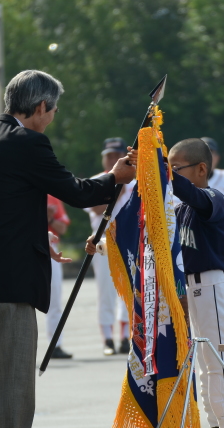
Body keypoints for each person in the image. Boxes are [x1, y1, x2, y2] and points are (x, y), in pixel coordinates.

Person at [0, 70, 136, 428]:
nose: (52, 118)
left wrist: (37, 236)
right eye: (52, 111)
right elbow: (76, 191)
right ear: (39, 107)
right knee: (9, 392)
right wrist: (116, 178)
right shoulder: (28, 143)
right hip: (4, 287)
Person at [112, 138, 224, 428]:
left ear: (201, 169)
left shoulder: (213, 198)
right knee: (210, 393)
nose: (169, 175)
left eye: (176, 168)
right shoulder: (181, 210)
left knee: (223, 388)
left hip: (217, 291)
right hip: (195, 295)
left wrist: (157, 164)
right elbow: (149, 240)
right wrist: (103, 244)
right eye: (168, 168)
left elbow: (191, 194)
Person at [84, 137, 133, 356]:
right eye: (109, 156)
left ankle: (125, 336)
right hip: (102, 242)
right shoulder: (96, 181)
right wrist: (116, 190)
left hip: (128, 240)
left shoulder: (134, 182)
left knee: (129, 289)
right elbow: (95, 209)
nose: (113, 159)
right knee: (106, 291)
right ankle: (107, 339)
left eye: (117, 155)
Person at [45, 195, 73, 359]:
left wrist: (49, 218)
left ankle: (55, 345)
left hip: (50, 247)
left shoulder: (52, 198)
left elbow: (62, 228)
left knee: (54, 298)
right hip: (22, 245)